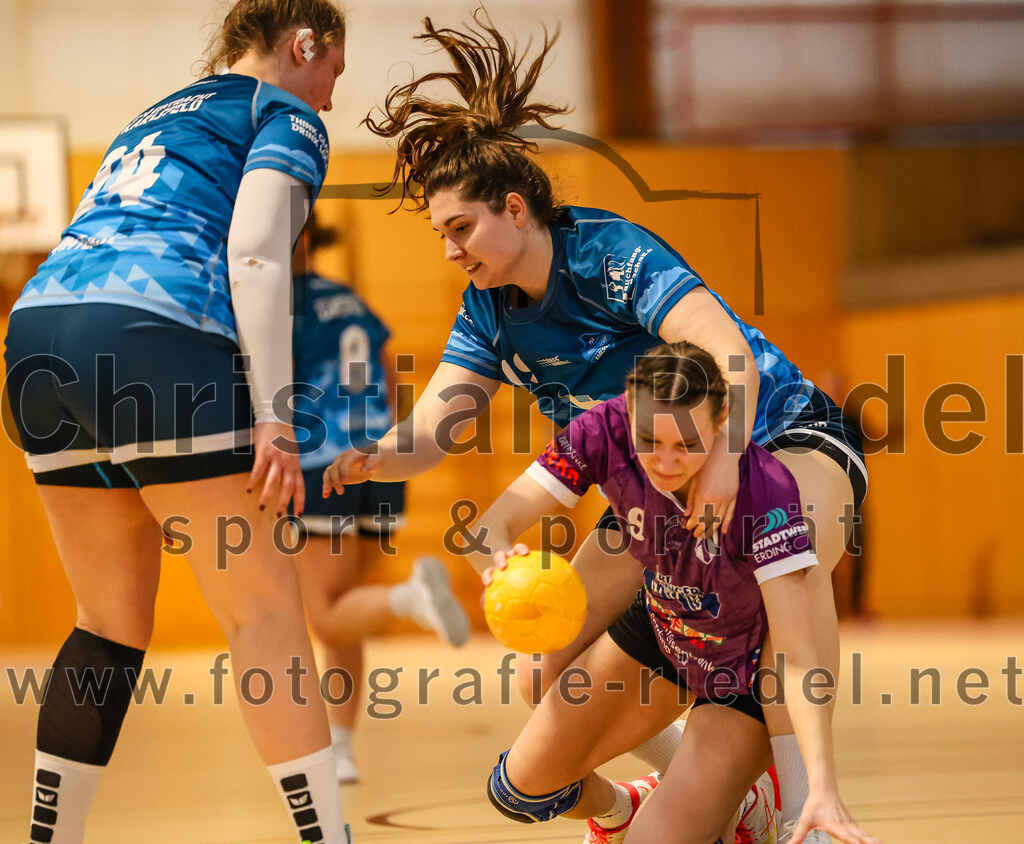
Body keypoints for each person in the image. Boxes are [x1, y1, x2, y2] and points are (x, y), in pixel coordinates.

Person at [323, 10, 868, 834]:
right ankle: (690, 787)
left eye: (460, 229)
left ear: (515, 208)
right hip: (661, 489)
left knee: (784, 558)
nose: (451, 251)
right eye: (439, 235)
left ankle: (809, 802)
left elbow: (729, 355)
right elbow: (438, 425)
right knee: (546, 667)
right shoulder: (489, 315)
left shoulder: (607, 257)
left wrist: (724, 471)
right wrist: (374, 455)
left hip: (777, 434)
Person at [3, 2, 352, 841]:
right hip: (152, 331)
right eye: (332, 72)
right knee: (264, 615)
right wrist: (273, 416)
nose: (330, 99)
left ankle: (53, 836)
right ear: (302, 44)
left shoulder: (149, 116)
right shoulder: (281, 111)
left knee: (106, 622)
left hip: (36, 334)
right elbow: (258, 251)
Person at [478, 342, 881, 844]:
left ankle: (744, 797)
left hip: (744, 679)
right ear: (627, 414)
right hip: (668, 634)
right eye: (650, 440)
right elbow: (489, 526)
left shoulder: (769, 492)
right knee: (519, 790)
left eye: (686, 444)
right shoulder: (601, 432)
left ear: (722, 426)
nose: (666, 462)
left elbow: (798, 655)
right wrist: (496, 566)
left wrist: (818, 789)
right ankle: (631, 807)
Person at [290, 212, 470, 782]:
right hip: (379, 460)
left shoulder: (274, 305)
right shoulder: (348, 299)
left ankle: (410, 599)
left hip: (322, 465)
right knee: (347, 612)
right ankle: (340, 748)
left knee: (328, 617)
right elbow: (391, 379)